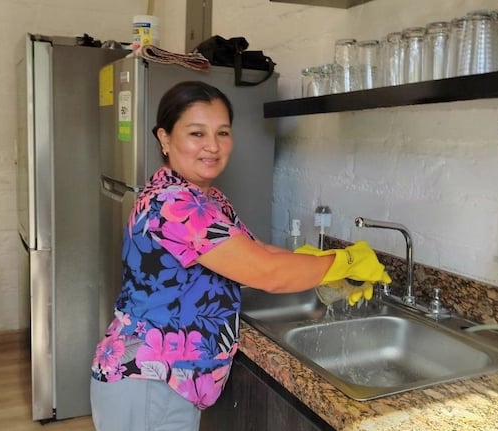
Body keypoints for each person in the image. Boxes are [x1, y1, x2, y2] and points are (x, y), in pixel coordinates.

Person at [90, 81, 391, 431]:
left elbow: (256, 251)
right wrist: (344, 263)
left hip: (168, 379)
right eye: (196, 133)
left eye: (222, 133)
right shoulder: (174, 204)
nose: (213, 146)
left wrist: (322, 265)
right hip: (149, 381)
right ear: (165, 138)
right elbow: (266, 273)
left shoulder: (207, 198)